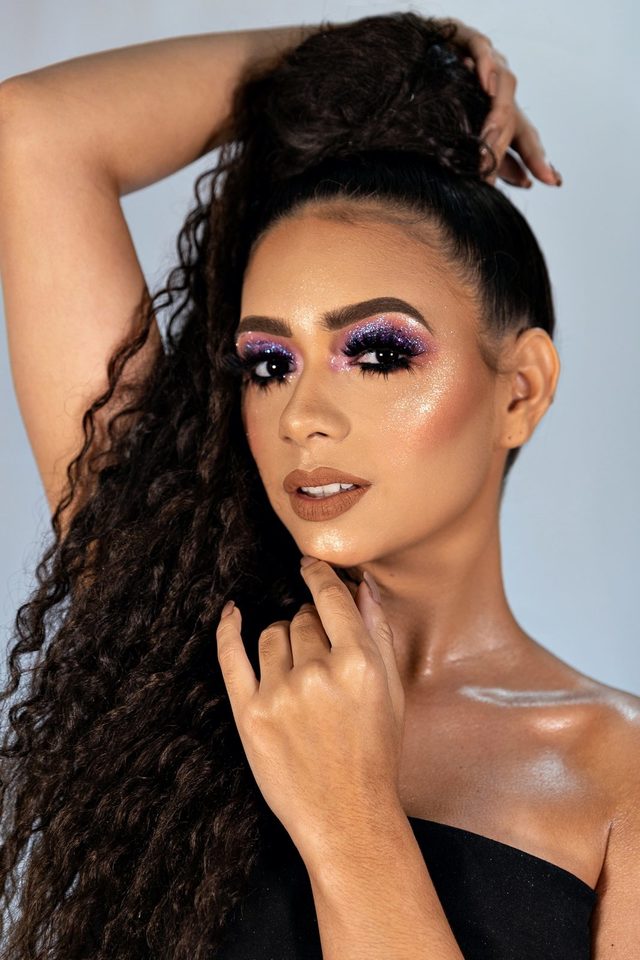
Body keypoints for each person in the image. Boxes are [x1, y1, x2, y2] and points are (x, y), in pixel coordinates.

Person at [0, 11, 636, 960]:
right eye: (268, 364)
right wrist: (387, 57)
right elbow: (37, 131)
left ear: (521, 388)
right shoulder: (183, 631)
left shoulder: (619, 775)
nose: (302, 415)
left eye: (376, 353)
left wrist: (351, 822)